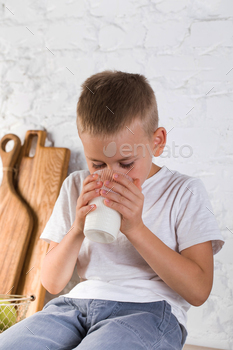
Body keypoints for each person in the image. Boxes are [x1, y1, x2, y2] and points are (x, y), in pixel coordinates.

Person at [0, 70, 225, 350]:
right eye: (97, 164)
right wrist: (78, 229)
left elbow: (199, 290)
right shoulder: (76, 186)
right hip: (74, 307)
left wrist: (136, 229)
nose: (110, 176)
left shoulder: (183, 191)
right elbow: (52, 283)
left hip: (149, 311)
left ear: (157, 141)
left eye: (126, 163)